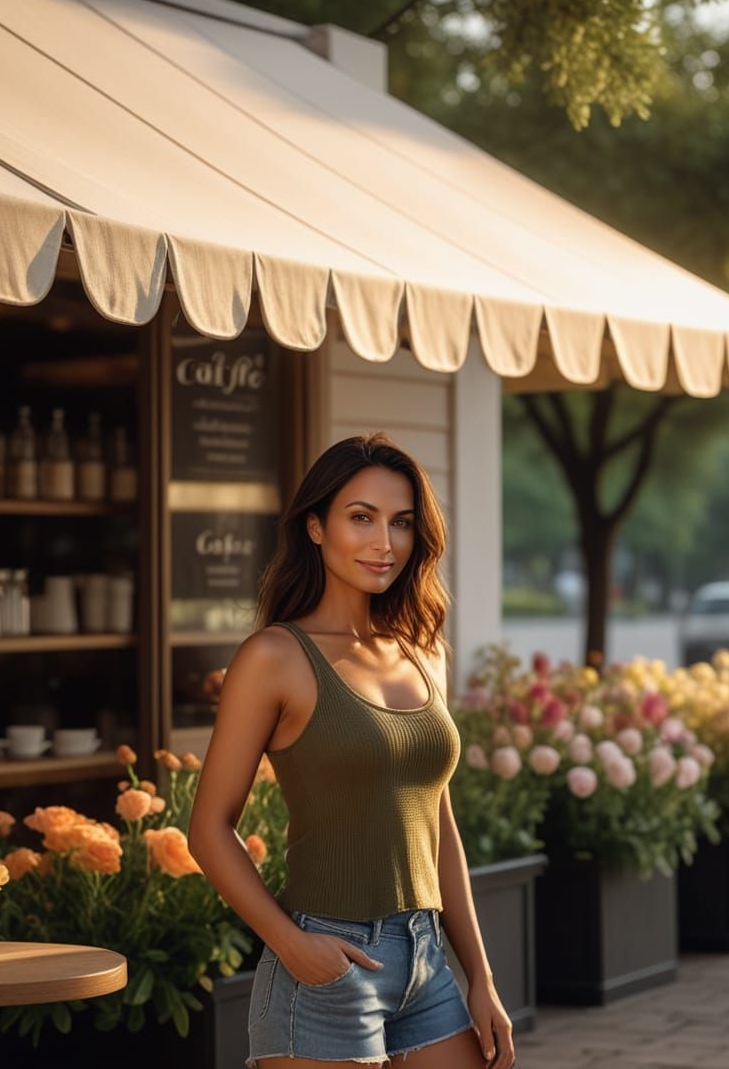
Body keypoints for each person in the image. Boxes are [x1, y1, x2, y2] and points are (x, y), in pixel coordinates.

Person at [189, 432, 515, 1069]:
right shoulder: (274, 657)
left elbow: (438, 823)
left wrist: (481, 976)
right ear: (316, 528)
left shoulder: (422, 651)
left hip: (426, 958)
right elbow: (209, 828)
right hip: (326, 962)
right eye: (361, 518)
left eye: (401, 523)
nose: (384, 542)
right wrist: (291, 944)